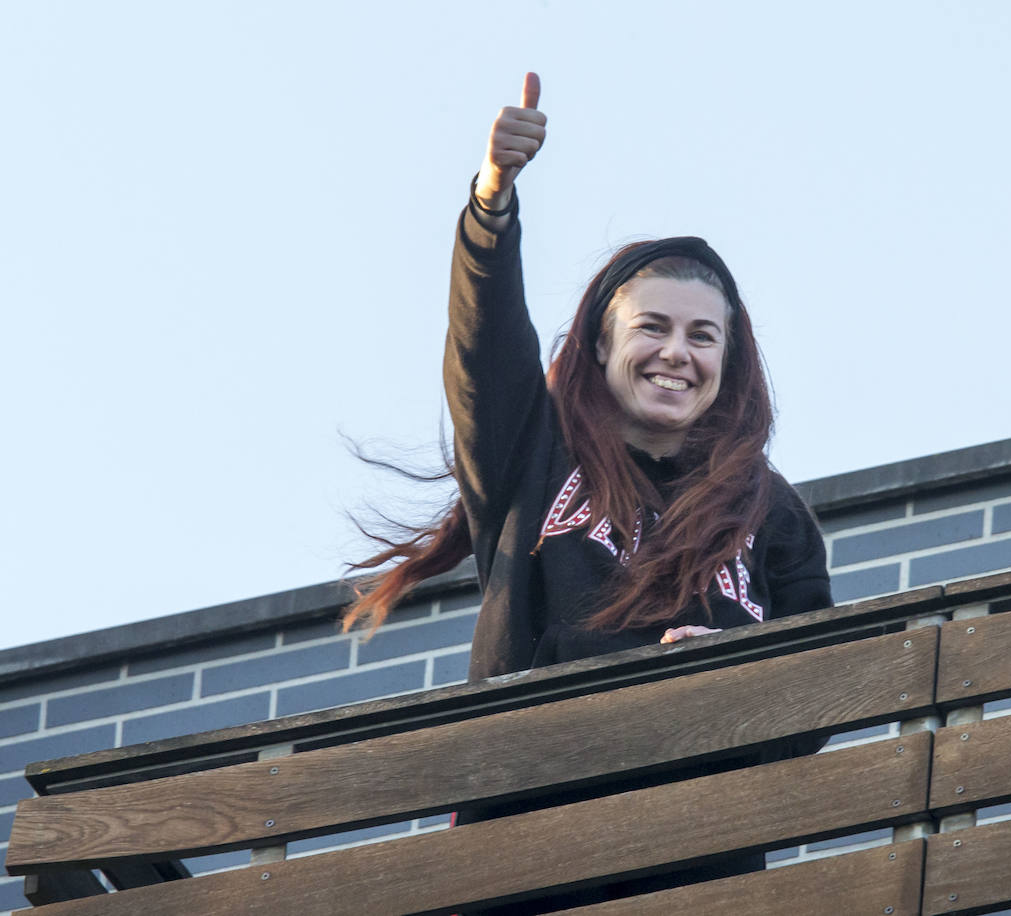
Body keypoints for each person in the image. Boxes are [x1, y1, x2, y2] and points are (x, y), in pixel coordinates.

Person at [344, 73, 832, 910]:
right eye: (652, 327)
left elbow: (825, 675)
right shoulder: (530, 453)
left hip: (701, 861)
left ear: (729, 362)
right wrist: (491, 205)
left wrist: (745, 671)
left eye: (702, 336)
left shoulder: (769, 508)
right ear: (602, 346)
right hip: (532, 843)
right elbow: (482, 348)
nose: (677, 352)